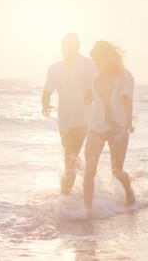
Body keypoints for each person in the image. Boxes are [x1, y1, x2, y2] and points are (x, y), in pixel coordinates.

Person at [83, 41, 136, 212]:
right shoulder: (93, 72)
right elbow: (91, 92)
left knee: (117, 171)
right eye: (94, 59)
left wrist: (128, 122)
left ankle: (129, 192)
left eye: (98, 58)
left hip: (117, 128)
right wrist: (87, 97)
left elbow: (128, 100)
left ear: (107, 57)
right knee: (89, 170)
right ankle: (87, 210)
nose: (95, 62)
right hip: (96, 127)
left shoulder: (125, 76)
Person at [42, 33, 95, 195]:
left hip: (82, 119)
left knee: (69, 157)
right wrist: (45, 103)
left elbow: (98, 85)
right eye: (65, 45)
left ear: (78, 46)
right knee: (70, 156)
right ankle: (86, 174)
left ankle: (65, 198)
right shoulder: (54, 68)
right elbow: (47, 90)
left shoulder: (88, 65)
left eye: (71, 45)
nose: (67, 48)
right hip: (64, 120)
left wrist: (91, 92)